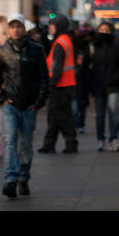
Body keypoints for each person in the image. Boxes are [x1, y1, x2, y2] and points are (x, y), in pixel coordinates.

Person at [0, 11, 48, 198]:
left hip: (29, 105)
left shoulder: (36, 49)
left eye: (19, 26)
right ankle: (10, 179)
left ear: (24, 28)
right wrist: (1, 97)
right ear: (8, 29)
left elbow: (44, 78)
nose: (16, 30)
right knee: (10, 141)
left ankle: (24, 178)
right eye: (13, 26)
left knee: (27, 144)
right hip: (10, 104)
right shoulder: (1, 51)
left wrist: (39, 102)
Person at [38, 13, 78, 154]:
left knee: (62, 116)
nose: (50, 28)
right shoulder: (65, 40)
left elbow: (57, 67)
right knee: (55, 116)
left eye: (52, 25)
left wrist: (51, 84)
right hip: (65, 85)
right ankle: (50, 144)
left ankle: (70, 143)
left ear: (59, 26)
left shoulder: (60, 42)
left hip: (60, 86)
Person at [87, 21, 119, 151]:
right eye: (102, 30)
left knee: (113, 112)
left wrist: (116, 77)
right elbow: (88, 67)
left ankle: (113, 139)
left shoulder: (117, 46)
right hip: (98, 85)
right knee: (100, 115)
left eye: (107, 30)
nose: (104, 33)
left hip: (113, 84)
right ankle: (100, 140)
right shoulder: (93, 47)